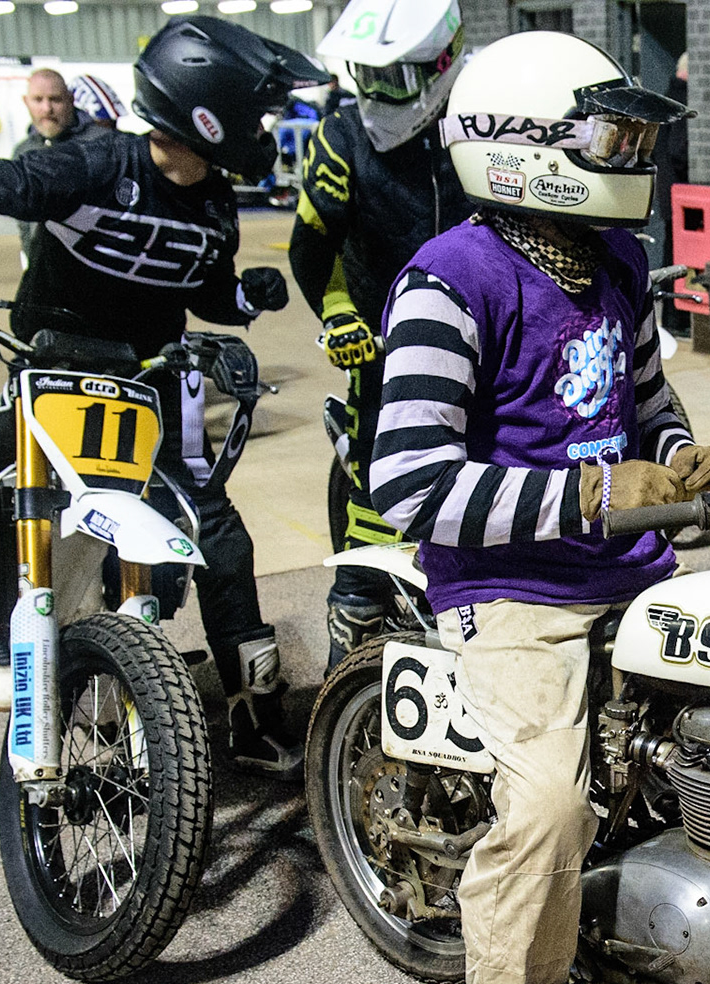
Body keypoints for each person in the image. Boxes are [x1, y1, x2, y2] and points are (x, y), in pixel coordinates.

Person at [373, 30, 710, 984]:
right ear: (522, 149)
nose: (630, 154)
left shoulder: (617, 263)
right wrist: (590, 492)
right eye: (611, 135)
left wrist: (680, 462)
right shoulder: (450, 278)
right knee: (543, 812)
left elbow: (641, 397)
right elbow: (408, 484)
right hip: (506, 590)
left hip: (624, 570)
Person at [0, 16, 327, 776]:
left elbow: (205, 289)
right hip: (49, 377)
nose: (263, 129)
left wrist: (241, 296)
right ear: (207, 107)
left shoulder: (216, 199)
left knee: (222, 544)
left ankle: (254, 717)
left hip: (150, 386)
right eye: (255, 112)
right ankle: (0, 632)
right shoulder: (91, 166)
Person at [290, 0, 470, 672]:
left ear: (442, 62)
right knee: (379, 462)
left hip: (481, 327)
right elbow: (311, 245)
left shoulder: (481, 114)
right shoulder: (342, 136)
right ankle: (355, 609)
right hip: (383, 337)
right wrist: (340, 314)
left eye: (393, 76)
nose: (376, 91)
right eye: (366, 73)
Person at [11, 69, 95, 262]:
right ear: (26, 102)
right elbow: (24, 219)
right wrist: (30, 257)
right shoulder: (23, 152)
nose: (47, 108)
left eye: (55, 99)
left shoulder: (102, 144)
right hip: (43, 266)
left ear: (70, 99)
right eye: (38, 100)